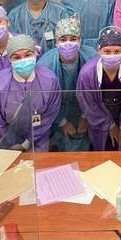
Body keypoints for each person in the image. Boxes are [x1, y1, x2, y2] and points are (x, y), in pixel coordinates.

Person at [0, 34, 61, 152]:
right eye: (16, 57)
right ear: (9, 59)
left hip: (39, 139)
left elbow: (49, 115)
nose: (23, 60)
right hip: (6, 142)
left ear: (35, 54)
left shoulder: (49, 79)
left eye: (27, 55)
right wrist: (12, 143)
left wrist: (27, 143)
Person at [76, 26, 121, 151]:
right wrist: (110, 125)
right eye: (107, 52)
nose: (112, 56)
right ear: (99, 50)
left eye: (117, 52)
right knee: (105, 153)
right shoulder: (87, 73)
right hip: (101, 124)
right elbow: (88, 105)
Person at [38, 16, 98, 151]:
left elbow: (96, 93)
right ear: (56, 42)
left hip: (85, 108)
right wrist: (61, 121)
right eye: (63, 40)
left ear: (80, 41)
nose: (68, 43)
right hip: (55, 112)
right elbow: (43, 101)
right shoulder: (44, 65)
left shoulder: (92, 58)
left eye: (73, 39)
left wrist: (85, 116)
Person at [8, 0, 72, 54]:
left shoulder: (60, 12)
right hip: (25, 62)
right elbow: (11, 43)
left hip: (53, 61)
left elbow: (68, 41)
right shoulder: (15, 15)